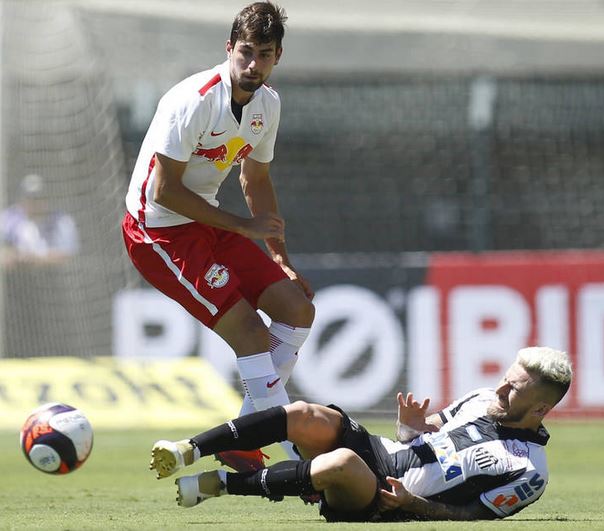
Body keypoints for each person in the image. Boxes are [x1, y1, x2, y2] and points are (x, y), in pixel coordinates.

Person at [122, 2, 314, 471]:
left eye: (263, 55)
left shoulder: (268, 104)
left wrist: (280, 256)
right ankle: (298, 460)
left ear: (277, 57)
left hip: (208, 222)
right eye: (245, 52)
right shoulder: (194, 99)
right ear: (229, 48)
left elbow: (257, 180)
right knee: (249, 333)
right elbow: (164, 192)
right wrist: (244, 227)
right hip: (157, 232)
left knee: (297, 308)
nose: (253, 64)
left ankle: (242, 436)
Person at [149, 347, 573, 522]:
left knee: (341, 464)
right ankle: (190, 448)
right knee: (306, 414)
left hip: (389, 498)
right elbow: (423, 437)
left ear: (540, 408)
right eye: (506, 378)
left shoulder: (529, 471)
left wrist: (413, 503)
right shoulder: (482, 398)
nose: (500, 389)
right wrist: (409, 426)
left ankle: (223, 485)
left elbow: (473, 517)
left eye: (513, 389)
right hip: (384, 453)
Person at [1, 173, 79, 265]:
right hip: (14, 276)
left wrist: (31, 258)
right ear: (21, 200)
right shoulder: (8, 218)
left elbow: (67, 256)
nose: (34, 202)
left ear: (46, 199)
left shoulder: (61, 221)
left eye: (38, 198)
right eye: (29, 198)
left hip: (51, 275)